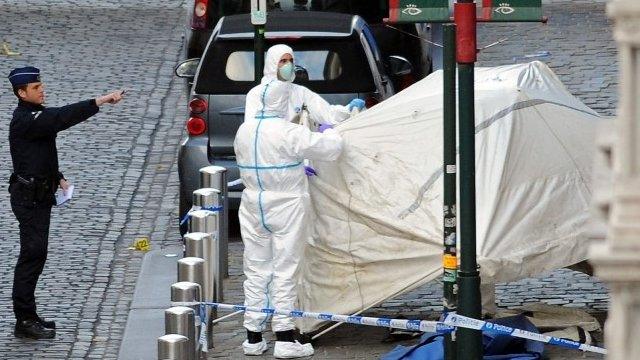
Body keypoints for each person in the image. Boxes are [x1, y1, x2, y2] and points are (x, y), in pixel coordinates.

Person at [235, 44, 355, 358]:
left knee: (256, 267)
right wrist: (331, 130)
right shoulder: (289, 132)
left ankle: (252, 335)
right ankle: (285, 336)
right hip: (287, 202)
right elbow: (332, 148)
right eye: (284, 61)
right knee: (286, 269)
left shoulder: (244, 131)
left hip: (252, 203)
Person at [7, 66, 123, 339]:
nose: (42, 90)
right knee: (31, 256)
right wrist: (101, 100)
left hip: (40, 195)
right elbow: (61, 118)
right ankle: (24, 320)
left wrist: (58, 177)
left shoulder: (35, 118)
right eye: (36, 88)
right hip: (29, 200)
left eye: (40, 85)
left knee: (36, 255)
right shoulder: (26, 119)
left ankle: (29, 315)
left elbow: (37, 153)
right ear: (21, 93)